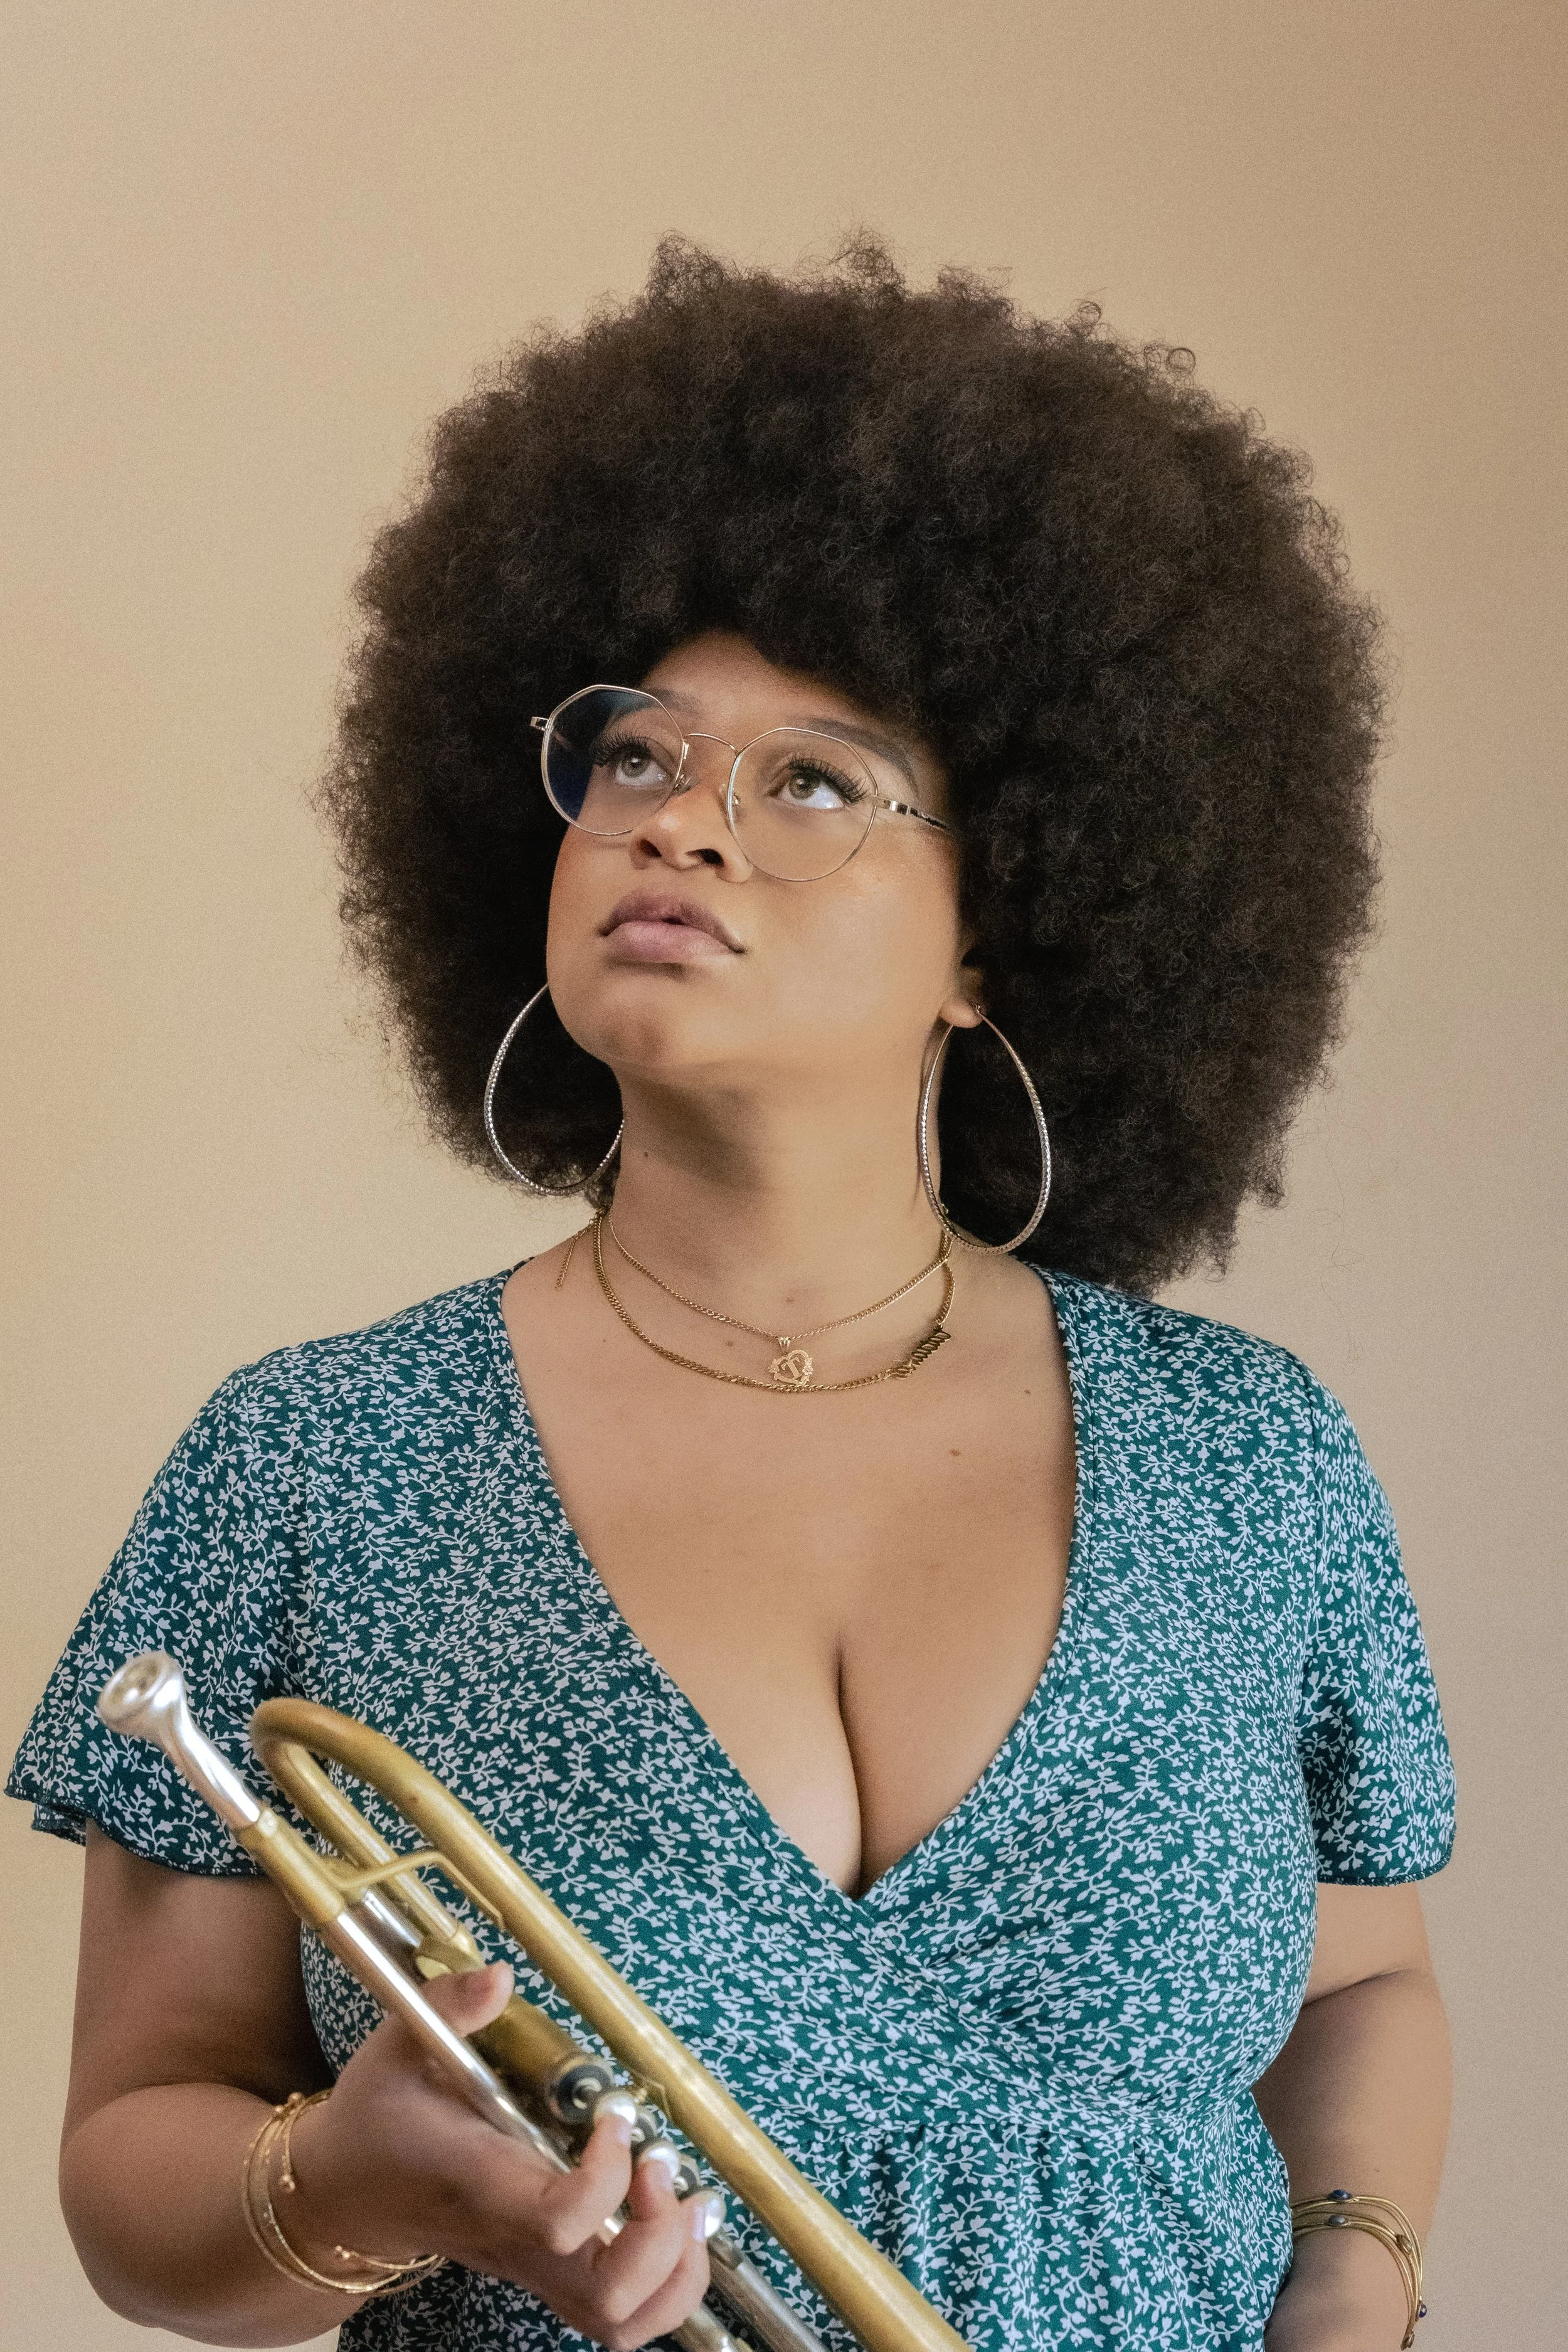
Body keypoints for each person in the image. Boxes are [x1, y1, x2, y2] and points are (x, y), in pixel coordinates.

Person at [8, 239, 1454, 2352]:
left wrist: (1349, 2289)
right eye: (634, 757)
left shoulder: (1250, 1452)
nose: (681, 825)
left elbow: (1364, 1979)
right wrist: (352, 2180)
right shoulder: (310, 1461)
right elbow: (136, 2176)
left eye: (812, 780)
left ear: (1002, 933)